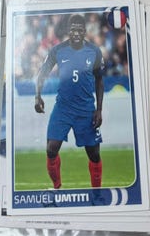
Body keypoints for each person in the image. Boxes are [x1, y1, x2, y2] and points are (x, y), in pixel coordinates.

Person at [34, 14, 104, 189]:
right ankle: (57, 187)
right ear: (68, 31)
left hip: (86, 109)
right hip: (63, 108)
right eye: (73, 30)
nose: (77, 33)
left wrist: (99, 110)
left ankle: (97, 192)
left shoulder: (94, 51)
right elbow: (43, 72)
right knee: (51, 149)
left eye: (80, 30)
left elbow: (99, 80)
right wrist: (37, 95)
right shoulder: (58, 50)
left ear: (85, 31)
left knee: (94, 154)